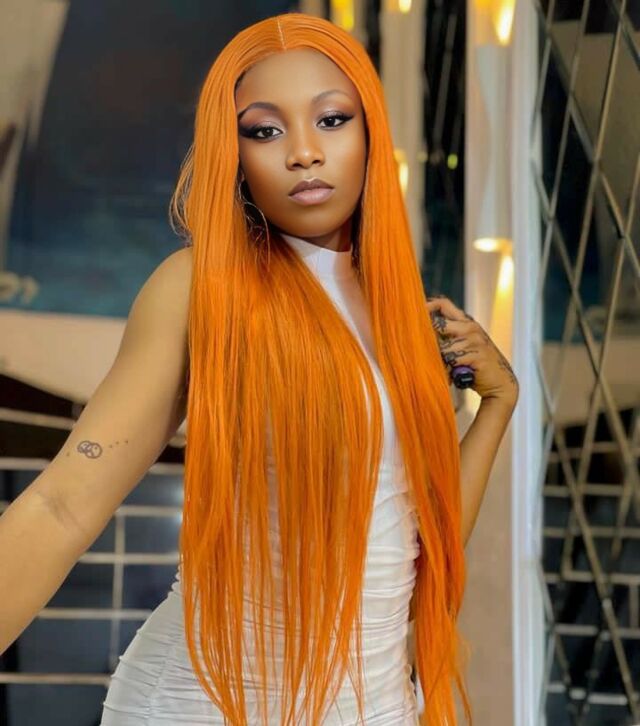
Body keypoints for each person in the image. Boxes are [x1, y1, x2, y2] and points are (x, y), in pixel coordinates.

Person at [0, 12, 519, 726]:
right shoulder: (201, 289)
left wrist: (497, 407)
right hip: (207, 704)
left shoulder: (403, 314)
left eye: (331, 120)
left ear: (371, 132)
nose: (304, 153)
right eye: (266, 130)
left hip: (378, 707)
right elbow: (62, 505)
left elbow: (414, 561)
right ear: (234, 153)